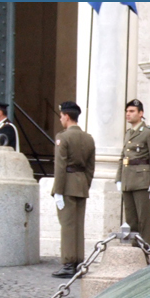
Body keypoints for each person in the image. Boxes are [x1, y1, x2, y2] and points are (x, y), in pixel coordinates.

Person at [51, 101, 96, 278]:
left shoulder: (63, 137)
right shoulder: (88, 138)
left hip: (67, 184)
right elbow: (91, 167)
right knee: (78, 225)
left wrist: (58, 190)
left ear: (67, 116)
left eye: (61, 116)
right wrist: (86, 183)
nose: (61, 119)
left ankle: (69, 263)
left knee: (68, 226)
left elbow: (60, 166)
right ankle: (78, 262)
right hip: (81, 183)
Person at [115, 99, 150, 244]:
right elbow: (123, 157)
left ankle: (145, 252)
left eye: (132, 111)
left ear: (141, 113)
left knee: (144, 221)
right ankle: (134, 251)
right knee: (131, 220)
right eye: (127, 111)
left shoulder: (149, 132)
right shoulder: (129, 133)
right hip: (128, 180)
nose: (128, 114)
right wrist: (119, 178)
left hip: (142, 181)